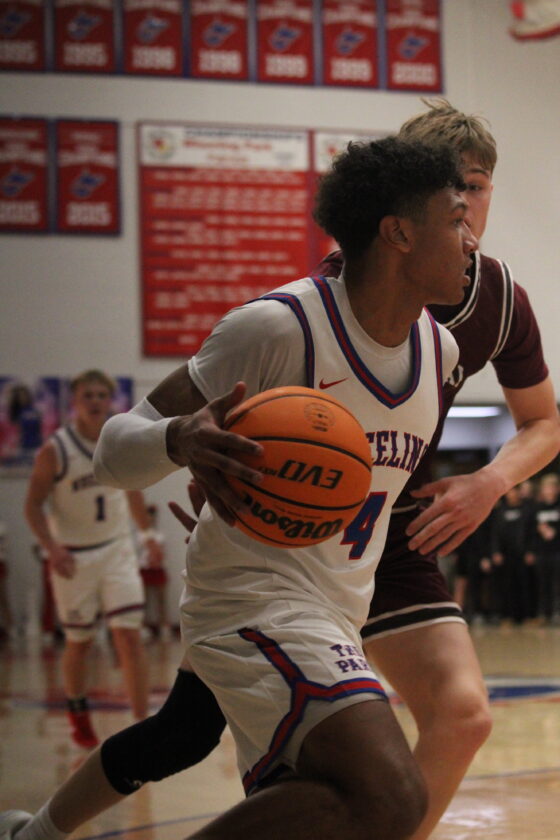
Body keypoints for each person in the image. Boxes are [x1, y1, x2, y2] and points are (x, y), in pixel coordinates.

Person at [2, 101, 559, 840]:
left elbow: (539, 422)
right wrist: (189, 446)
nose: (472, 231)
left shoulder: (448, 343)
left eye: (476, 195)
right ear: (398, 227)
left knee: (222, 750)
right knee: (386, 788)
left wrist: (487, 481)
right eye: (452, 208)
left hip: (355, 571)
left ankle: (34, 834)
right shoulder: (290, 321)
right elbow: (127, 444)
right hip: (260, 585)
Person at [22, 369, 163, 749]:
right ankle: (78, 710)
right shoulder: (56, 449)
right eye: (89, 395)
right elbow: (32, 505)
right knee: (79, 642)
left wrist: (148, 536)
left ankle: (140, 726)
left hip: (117, 549)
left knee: (129, 637)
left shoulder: (117, 442)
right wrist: (51, 548)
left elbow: (133, 491)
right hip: (74, 558)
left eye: (102, 395)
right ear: (75, 401)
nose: (96, 401)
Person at [526, 473, 560, 623]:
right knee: (542, 583)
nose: (549, 490)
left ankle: (556, 612)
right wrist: (531, 550)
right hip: (541, 551)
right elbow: (530, 530)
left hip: (557, 550)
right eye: (546, 487)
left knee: (556, 583)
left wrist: (554, 532)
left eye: (552, 487)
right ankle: (543, 613)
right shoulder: (537, 508)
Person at [138, 504, 170, 639]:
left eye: (152, 516)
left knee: (161, 600)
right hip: (145, 569)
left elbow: (163, 552)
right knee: (143, 601)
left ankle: (164, 627)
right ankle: (143, 627)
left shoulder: (160, 535)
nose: (150, 519)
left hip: (158, 569)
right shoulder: (140, 535)